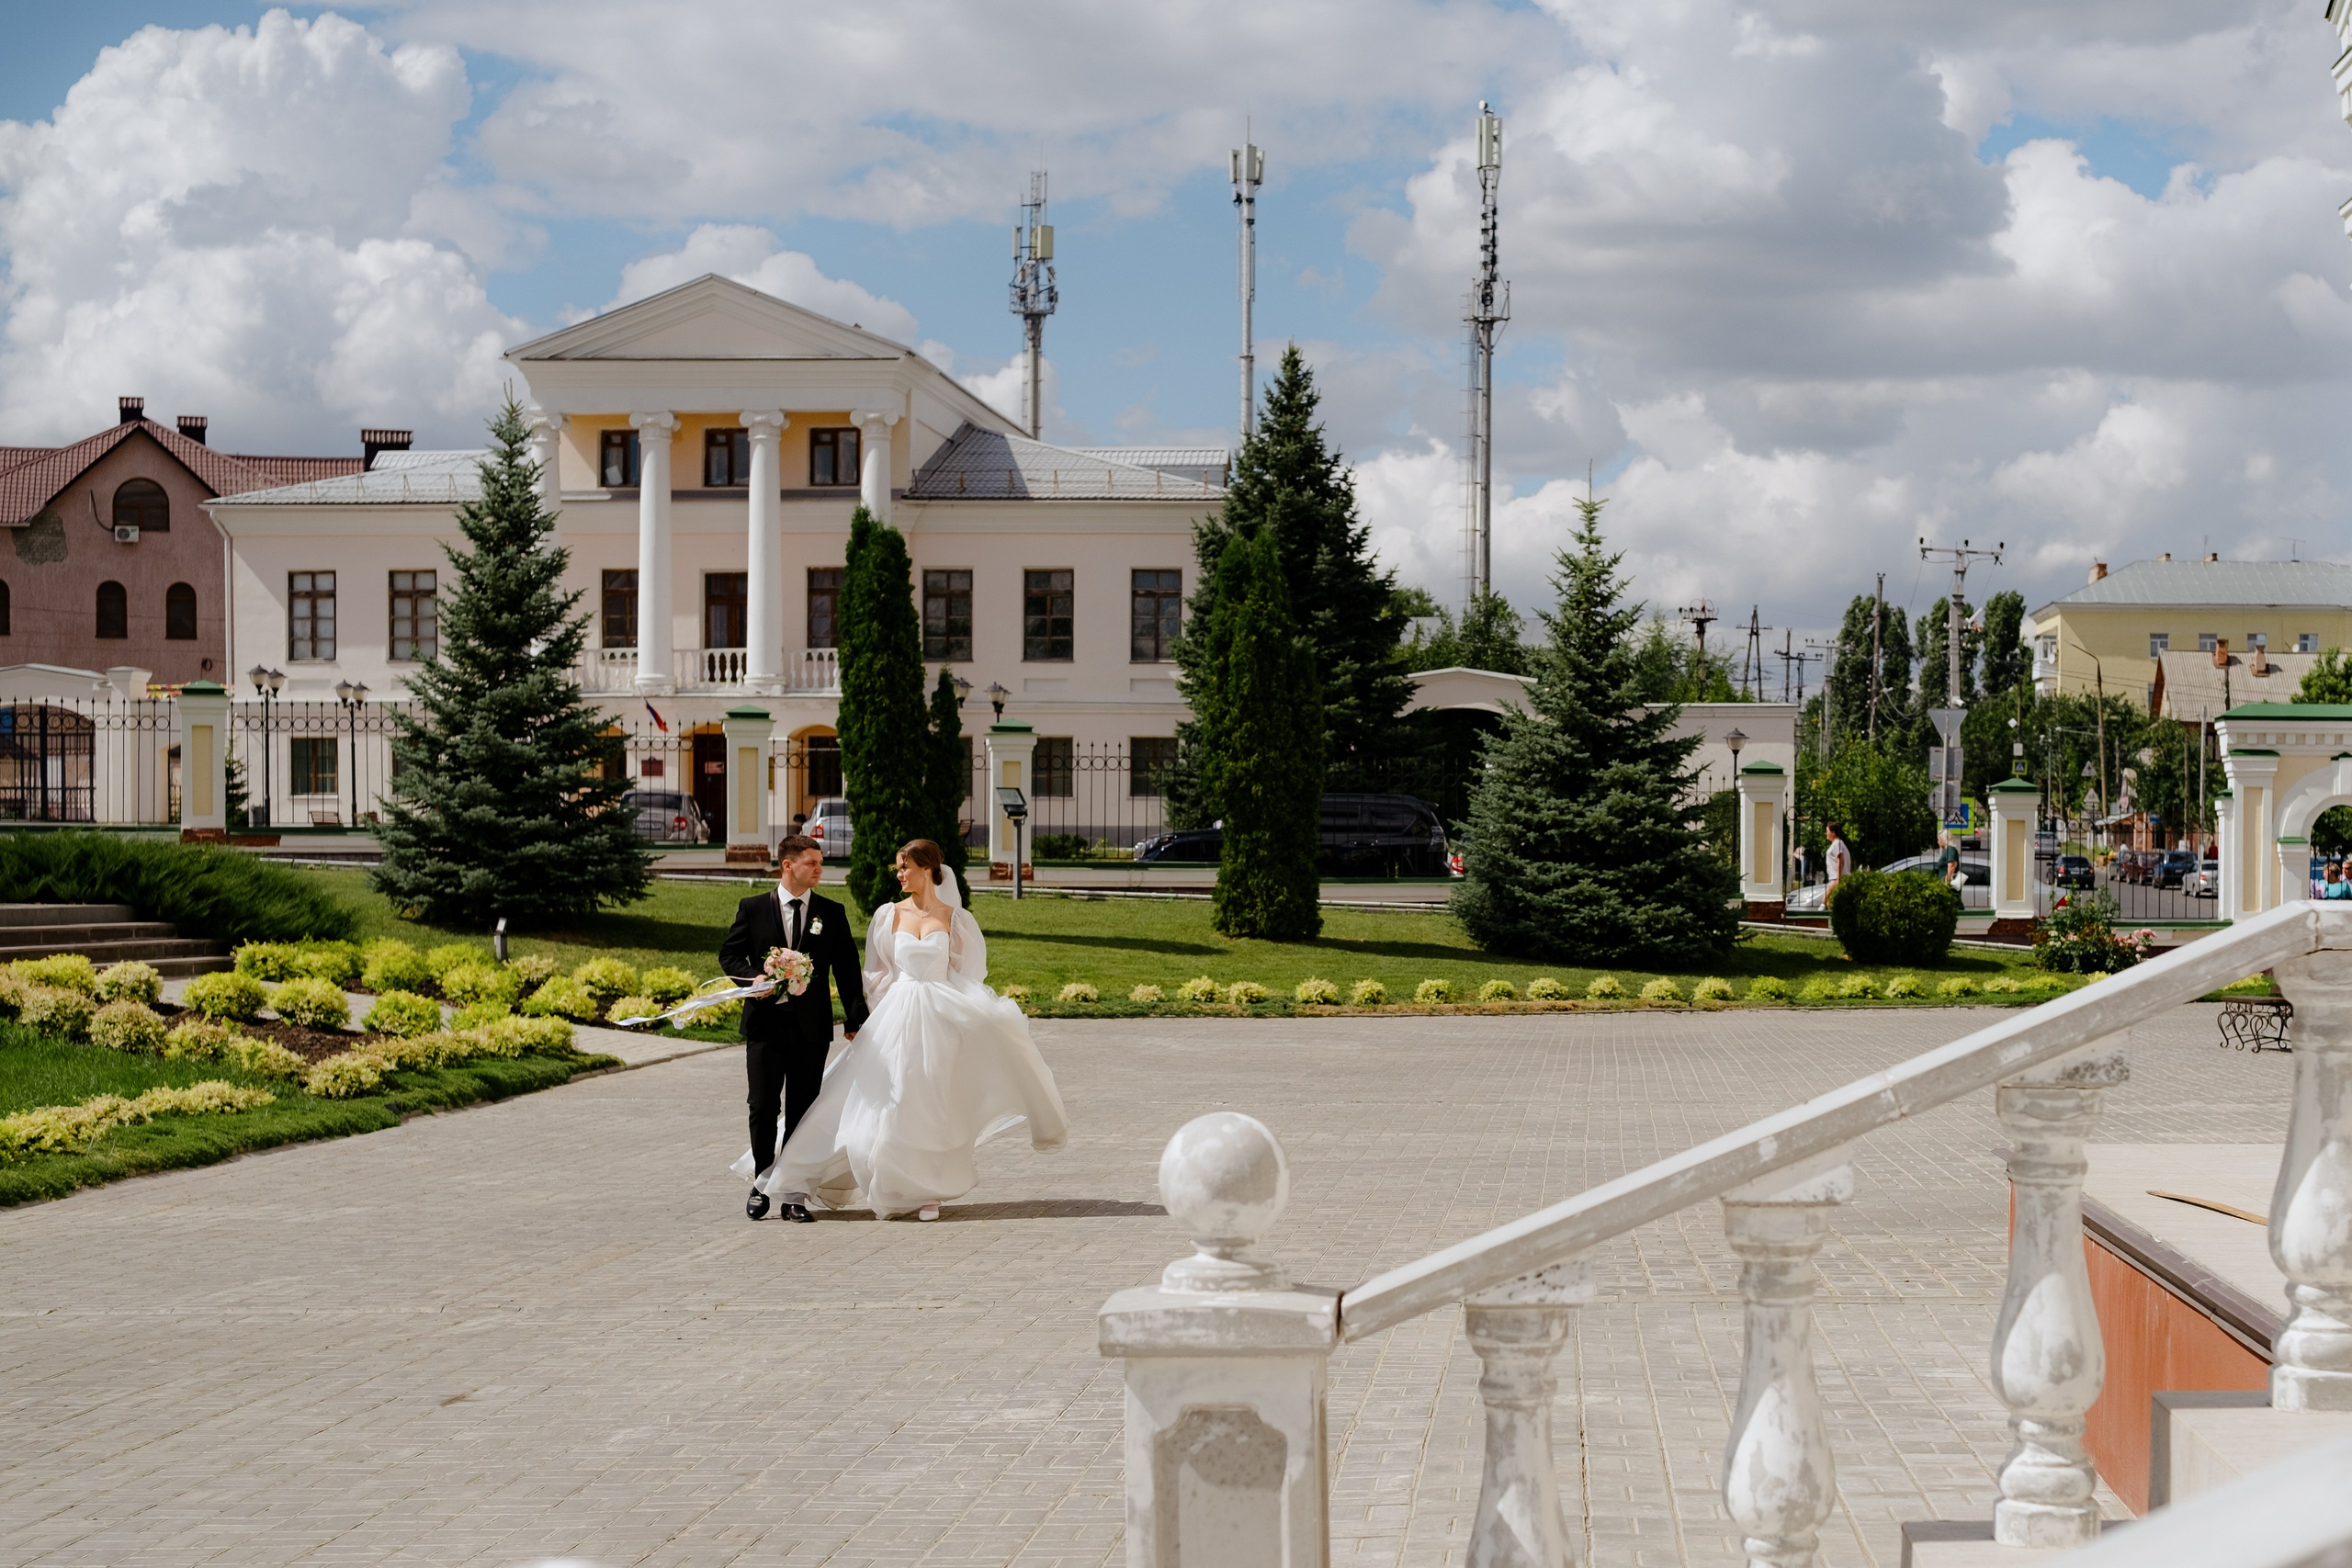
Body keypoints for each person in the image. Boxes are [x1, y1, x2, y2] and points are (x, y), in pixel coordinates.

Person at [765, 837, 1069, 1221]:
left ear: (927, 869)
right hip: (898, 1013)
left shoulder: (955, 919)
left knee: (932, 1102)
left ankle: (928, 1191)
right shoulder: (888, 916)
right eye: (898, 868)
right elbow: (877, 973)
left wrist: (969, 1015)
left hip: (939, 1017)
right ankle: (807, 1173)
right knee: (880, 1099)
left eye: (905, 867)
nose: (899, 875)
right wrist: (877, 1018)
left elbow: (967, 974)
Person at [722, 833, 867, 1224]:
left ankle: (794, 1193)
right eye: (812, 863)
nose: (819, 869)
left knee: (803, 1111)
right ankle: (762, 1181)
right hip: (765, 1027)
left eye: (820, 863)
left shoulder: (830, 912)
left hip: (810, 1030)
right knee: (762, 1106)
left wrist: (855, 1018)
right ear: (788, 865)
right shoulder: (753, 908)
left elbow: (847, 969)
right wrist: (752, 978)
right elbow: (729, 954)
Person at [1824, 821, 1852, 888]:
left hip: (1836, 878)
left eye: (1827, 831)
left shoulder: (1837, 843)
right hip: (1835, 878)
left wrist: (1838, 880)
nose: (1826, 833)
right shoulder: (1836, 843)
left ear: (1833, 833)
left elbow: (1840, 862)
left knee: (1826, 895)